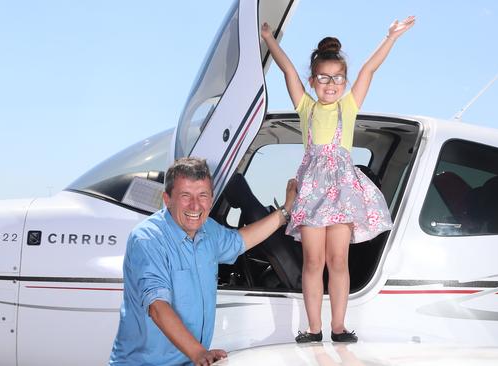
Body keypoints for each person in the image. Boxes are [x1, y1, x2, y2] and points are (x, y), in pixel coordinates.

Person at [261, 16, 415, 343]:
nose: (331, 84)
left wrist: (391, 37)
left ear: (344, 81)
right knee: (313, 261)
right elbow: (288, 70)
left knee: (338, 260)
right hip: (314, 192)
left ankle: (339, 326)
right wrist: (269, 38)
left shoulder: (349, 105)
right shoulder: (306, 107)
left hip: (343, 191)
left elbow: (369, 69)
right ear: (313, 80)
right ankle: (314, 328)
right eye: (323, 78)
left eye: (337, 78)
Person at [109, 157, 297, 366]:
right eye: (185, 196)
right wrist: (198, 352)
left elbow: (241, 240)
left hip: (189, 361)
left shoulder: (209, 230)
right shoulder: (148, 239)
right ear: (167, 199)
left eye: (203, 196)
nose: (195, 205)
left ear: (211, 198)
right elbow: (158, 307)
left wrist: (285, 212)